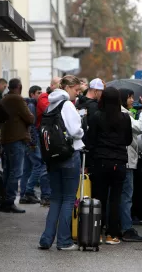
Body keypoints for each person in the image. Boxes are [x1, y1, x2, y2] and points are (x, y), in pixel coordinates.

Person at [39, 75, 84, 251]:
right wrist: (81, 130)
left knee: (56, 198)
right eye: (76, 90)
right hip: (68, 155)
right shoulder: (67, 105)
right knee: (68, 199)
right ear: (68, 88)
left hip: (53, 157)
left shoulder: (50, 104)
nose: (78, 94)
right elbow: (75, 131)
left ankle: (46, 238)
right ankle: (64, 241)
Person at [88, 87, 133, 245]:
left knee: (99, 197)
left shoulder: (96, 117)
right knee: (116, 199)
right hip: (119, 162)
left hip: (100, 161)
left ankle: (97, 231)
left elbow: (91, 140)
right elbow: (128, 140)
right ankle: (112, 234)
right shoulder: (125, 118)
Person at [0, 78, 34, 214]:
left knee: (8, 170)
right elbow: (30, 118)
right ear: (19, 87)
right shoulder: (17, 99)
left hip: (6, 139)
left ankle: (4, 200)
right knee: (16, 171)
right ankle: (9, 201)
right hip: (16, 139)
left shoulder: (4, 99)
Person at [118, 88, 142, 242]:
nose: (132, 101)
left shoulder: (113, 112)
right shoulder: (125, 115)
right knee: (126, 196)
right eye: (131, 98)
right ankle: (126, 228)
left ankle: (117, 227)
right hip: (127, 160)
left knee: (119, 195)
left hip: (120, 159)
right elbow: (139, 127)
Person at [20, 85, 51, 206]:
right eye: (38, 93)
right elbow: (31, 125)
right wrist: (33, 142)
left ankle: (23, 194)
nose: (40, 95)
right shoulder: (32, 106)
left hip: (27, 140)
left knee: (27, 168)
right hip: (32, 140)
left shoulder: (27, 105)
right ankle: (28, 191)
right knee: (38, 164)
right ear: (32, 94)